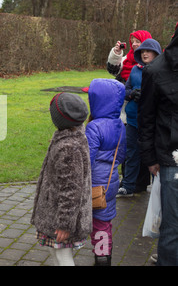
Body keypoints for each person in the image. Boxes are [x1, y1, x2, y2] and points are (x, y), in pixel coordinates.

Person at [31, 92, 92, 266]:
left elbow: (71, 190)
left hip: (63, 216)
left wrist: (65, 224)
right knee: (55, 252)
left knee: (63, 256)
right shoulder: (72, 136)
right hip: (55, 211)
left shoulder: (68, 147)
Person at [138, 24, 178, 266]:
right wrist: (150, 157)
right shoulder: (156, 70)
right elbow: (146, 117)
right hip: (171, 158)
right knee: (173, 226)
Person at [85, 78, 126, 266]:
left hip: (95, 183)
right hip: (111, 181)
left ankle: (100, 260)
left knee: (96, 222)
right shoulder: (119, 124)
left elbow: (87, 159)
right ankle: (104, 257)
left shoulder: (94, 126)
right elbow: (122, 154)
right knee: (104, 223)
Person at [117, 39, 162, 197]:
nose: (144, 53)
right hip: (133, 120)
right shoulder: (135, 70)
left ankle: (158, 189)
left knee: (154, 155)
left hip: (153, 122)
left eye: (148, 51)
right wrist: (131, 94)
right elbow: (126, 89)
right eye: (142, 51)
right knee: (131, 154)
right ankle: (128, 186)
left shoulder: (161, 71)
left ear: (156, 53)